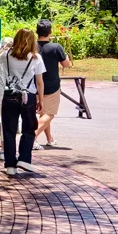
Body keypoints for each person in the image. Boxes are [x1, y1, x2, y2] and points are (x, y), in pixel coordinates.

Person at [0, 28, 46, 176]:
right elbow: (39, 82)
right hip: (29, 96)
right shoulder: (36, 58)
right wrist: (41, 100)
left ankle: (10, 166)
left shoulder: (6, 55)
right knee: (29, 128)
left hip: (9, 95)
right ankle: (24, 159)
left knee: (9, 130)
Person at [35, 19, 72, 148]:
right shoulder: (56, 47)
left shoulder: (31, 46)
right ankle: (32, 137)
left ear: (37, 31)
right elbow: (66, 64)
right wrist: (65, 56)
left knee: (43, 112)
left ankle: (49, 139)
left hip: (34, 85)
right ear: (50, 32)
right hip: (52, 85)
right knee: (49, 114)